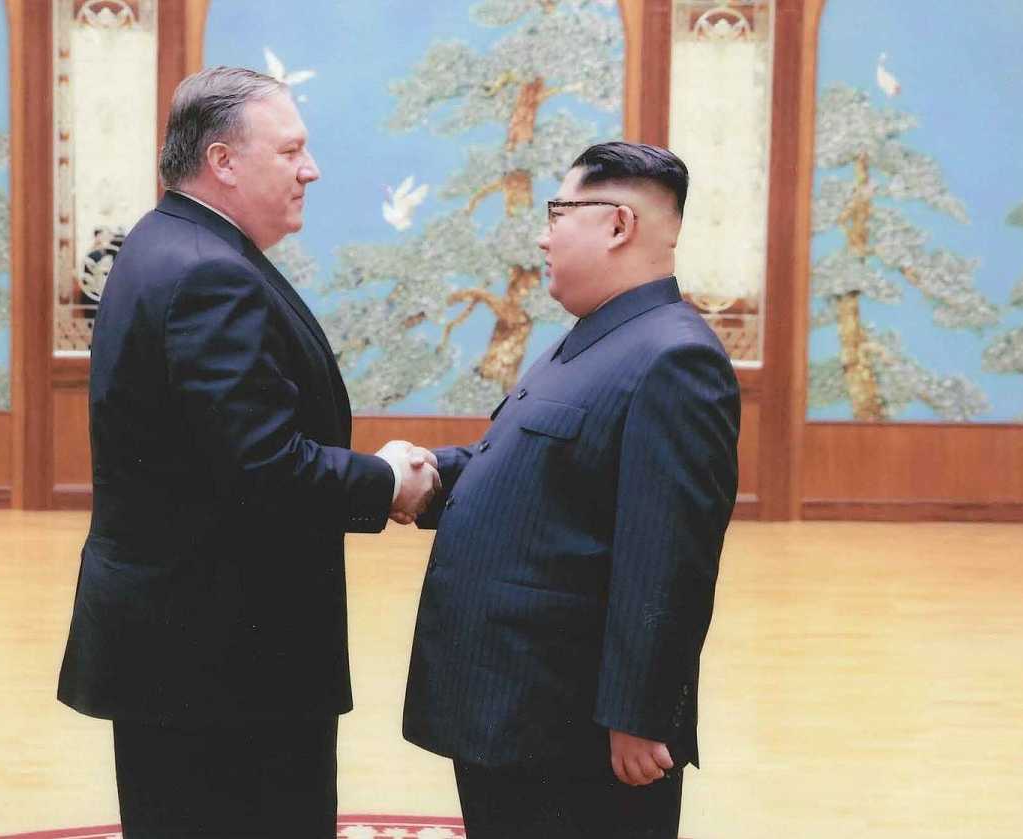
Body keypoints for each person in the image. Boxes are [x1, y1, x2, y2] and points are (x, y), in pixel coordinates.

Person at [56, 66, 439, 839]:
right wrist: (386, 478)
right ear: (224, 161)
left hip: (189, 643)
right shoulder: (207, 273)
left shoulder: (167, 241)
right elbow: (263, 469)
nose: (312, 168)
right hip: (222, 659)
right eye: (292, 150)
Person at [402, 142, 740, 838]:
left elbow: (668, 556)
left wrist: (640, 714)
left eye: (559, 211)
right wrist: (428, 476)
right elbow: (526, 470)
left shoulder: (673, 355)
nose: (542, 232)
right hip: (518, 706)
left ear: (618, 224)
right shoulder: (591, 339)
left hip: (575, 726)